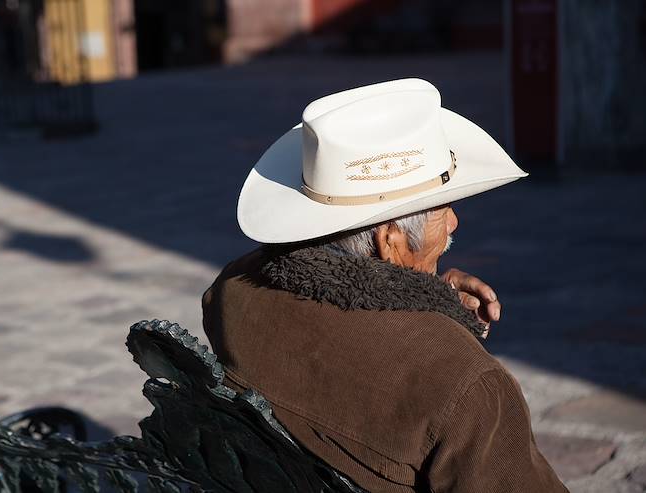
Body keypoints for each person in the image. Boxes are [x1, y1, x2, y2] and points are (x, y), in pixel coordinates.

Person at [202, 79, 568, 492]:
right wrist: (441, 330)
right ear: (390, 241)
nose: (453, 223)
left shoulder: (232, 294)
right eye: (442, 209)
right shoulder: (468, 388)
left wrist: (430, 299)